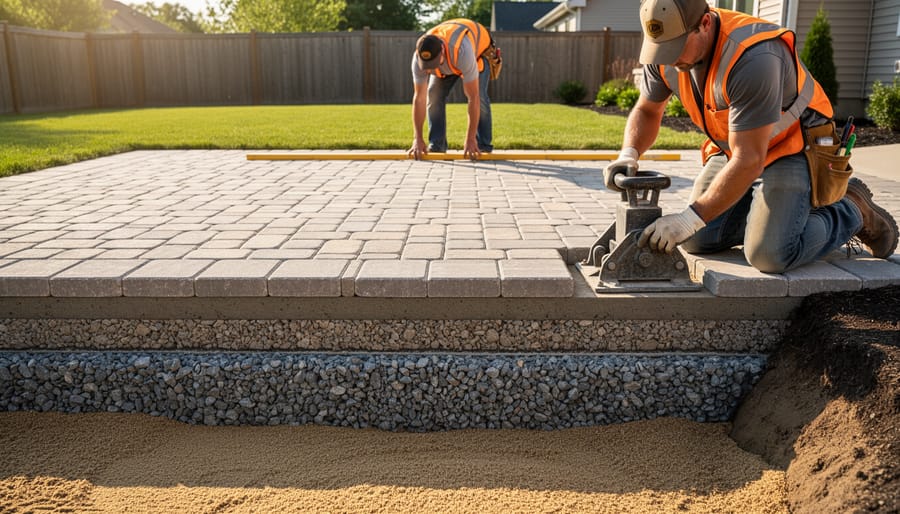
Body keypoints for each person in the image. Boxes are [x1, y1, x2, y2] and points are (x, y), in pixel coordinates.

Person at [603, 0, 898, 272]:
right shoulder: (665, 50)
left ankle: (851, 209)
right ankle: (770, 216)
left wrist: (688, 218)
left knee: (769, 254)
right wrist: (628, 153)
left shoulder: (754, 57)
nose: (669, 58)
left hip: (794, 146)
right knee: (696, 239)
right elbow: (647, 111)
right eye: (661, 48)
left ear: (705, 23)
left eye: (677, 46)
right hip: (738, 148)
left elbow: (750, 159)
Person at [408, 18, 494, 161]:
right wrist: (417, 138)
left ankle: (482, 144)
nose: (431, 69)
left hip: (478, 52)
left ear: (442, 50)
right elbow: (419, 98)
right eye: (427, 65)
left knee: (481, 97)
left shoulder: (462, 50)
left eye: (434, 63)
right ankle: (437, 144)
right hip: (451, 61)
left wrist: (470, 138)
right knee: (433, 95)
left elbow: (473, 98)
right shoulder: (418, 59)